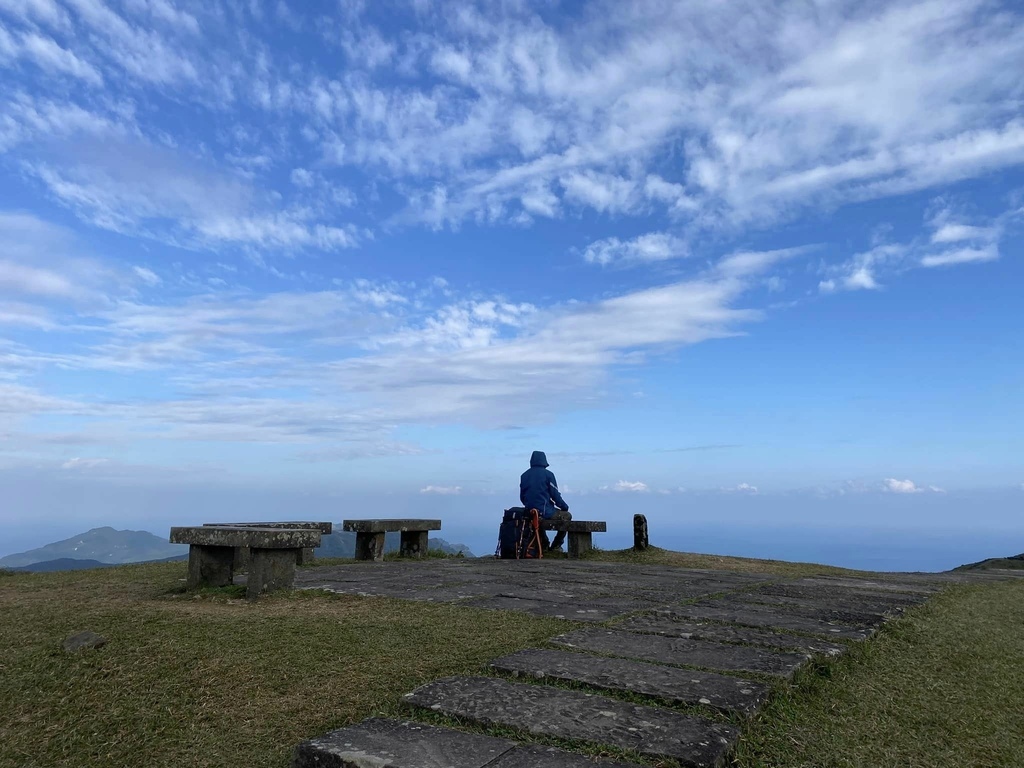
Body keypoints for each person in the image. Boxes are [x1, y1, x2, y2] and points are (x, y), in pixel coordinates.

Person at [519, 450, 571, 552]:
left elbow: (522, 497)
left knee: (536, 518)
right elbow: (555, 495)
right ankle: (556, 545)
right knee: (567, 516)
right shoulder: (548, 475)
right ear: (544, 460)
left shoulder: (524, 475)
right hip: (545, 510)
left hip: (530, 511)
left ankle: (544, 544)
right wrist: (564, 507)